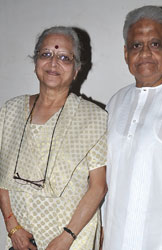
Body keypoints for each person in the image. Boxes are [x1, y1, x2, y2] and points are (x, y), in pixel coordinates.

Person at [0, 26, 107, 250]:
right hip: (22, 240)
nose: (53, 63)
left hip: (72, 240)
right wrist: (12, 227)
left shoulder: (93, 118)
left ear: (77, 69)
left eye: (64, 57)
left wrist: (65, 239)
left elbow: (98, 187)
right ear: (36, 62)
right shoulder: (9, 111)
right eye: (46, 54)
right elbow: (2, 174)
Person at [102, 5, 162, 250]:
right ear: (126, 53)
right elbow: (106, 179)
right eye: (136, 45)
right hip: (116, 240)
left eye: (155, 44)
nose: (144, 53)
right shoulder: (115, 103)